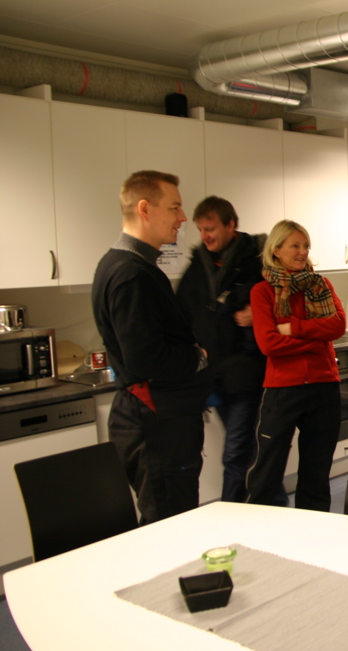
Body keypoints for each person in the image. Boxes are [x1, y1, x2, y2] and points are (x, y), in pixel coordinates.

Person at [91, 170, 213, 524]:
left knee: (171, 517)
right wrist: (197, 356)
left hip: (160, 420)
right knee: (168, 524)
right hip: (155, 424)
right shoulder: (130, 273)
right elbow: (146, 359)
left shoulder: (129, 265)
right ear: (145, 209)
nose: (183, 217)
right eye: (174, 207)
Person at [245, 219, 347, 512]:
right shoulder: (262, 292)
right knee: (266, 473)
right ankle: (257, 529)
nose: (303, 252)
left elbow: (338, 325)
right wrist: (315, 342)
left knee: (317, 475)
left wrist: (293, 328)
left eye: (306, 246)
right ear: (276, 250)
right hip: (283, 389)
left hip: (323, 387)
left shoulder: (321, 285)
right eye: (295, 246)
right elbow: (269, 344)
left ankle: (313, 531)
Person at [177, 196, 271, 503]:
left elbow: (286, 300)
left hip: (246, 373)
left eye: (211, 228)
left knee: (236, 452)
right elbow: (183, 313)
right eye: (201, 230)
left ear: (231, 225)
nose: (205, 236)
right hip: (213, 377)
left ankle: (232, 511)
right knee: (243, 450)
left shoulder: (257, 261)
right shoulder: (198, 267)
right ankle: (272, 501)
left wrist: (261, 313)